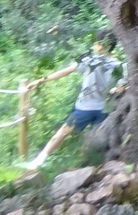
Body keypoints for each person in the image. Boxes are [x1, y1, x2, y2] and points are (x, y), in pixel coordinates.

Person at [22, 31, 126, 169]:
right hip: (105, 110)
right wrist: (113, 91)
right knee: (98, 140)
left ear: (101, 45)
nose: (94, 45)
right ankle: (97, 167)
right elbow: (121, 88)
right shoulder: (120, 65)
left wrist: (40, 81)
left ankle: (38, 161)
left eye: (96, 43)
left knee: (62, 133)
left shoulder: (88, 60)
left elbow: (65, 71)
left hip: (84, 108)